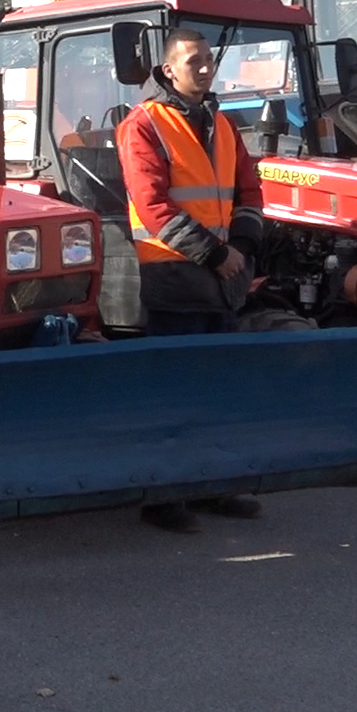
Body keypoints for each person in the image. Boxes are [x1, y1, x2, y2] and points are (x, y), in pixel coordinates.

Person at [116, 27, 264, 533]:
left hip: (222, 277)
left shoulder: (222, 124)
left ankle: (213, 486)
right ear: (169, 68)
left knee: (217, 388)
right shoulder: (143, 125)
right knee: (174, 391)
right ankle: (163, 496)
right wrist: (217, 254)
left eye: (208, 60)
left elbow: (250, 192)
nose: (204, 67)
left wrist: (241, 250)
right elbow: (153, 206)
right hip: (173, 273)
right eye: (193, 61)